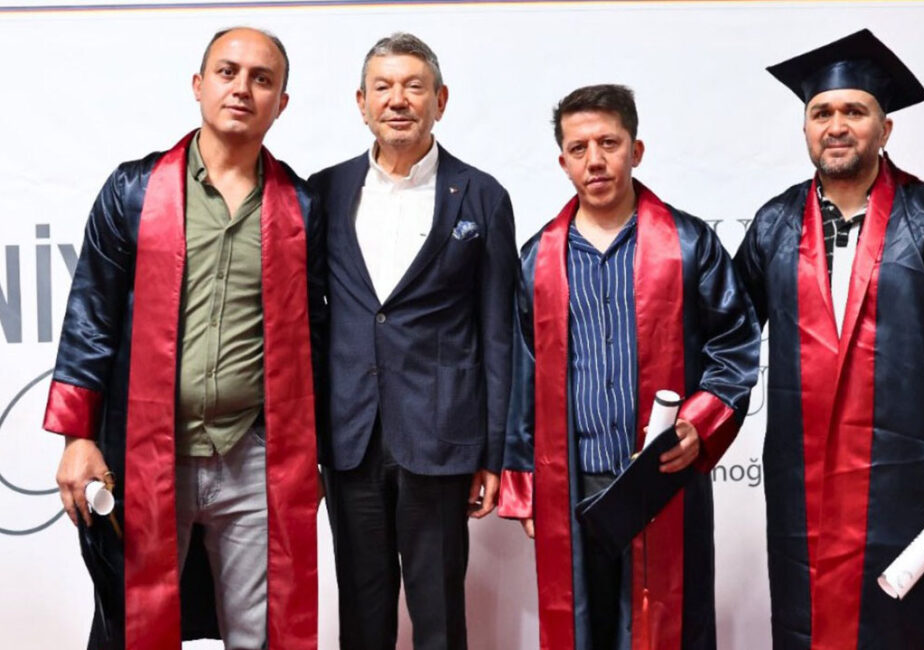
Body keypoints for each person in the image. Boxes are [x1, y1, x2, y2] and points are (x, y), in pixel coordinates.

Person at [734, 29, 924, 649]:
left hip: (911, 477)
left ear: (884, 129)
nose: (836, 126)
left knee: (912, 625)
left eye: (854, 111)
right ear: (806, 129)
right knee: (809, 625)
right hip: (804, 480)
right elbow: (728, 337)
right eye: (821, 113)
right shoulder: (775, 225)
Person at [44, 27, 326, 650]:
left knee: (264, 634)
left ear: (281, 103)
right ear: (199, 86)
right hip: (147, 452)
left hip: (254, 457)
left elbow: (319, 340)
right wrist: (77, 437)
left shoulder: (303, 207)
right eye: (227, 72)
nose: (242, 88)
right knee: (138, 625)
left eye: (261, 79)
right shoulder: (135, 191)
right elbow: (91, 314)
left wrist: (320, 457)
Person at [498, 84, 759, 650]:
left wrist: (699, 423)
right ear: (563, 162)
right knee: (582, 629)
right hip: (574, 484)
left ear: (635, 150)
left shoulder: (689, 244)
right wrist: (524, 485)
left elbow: (735, 343)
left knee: (665, 627)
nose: (594, 160)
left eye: (609, 143)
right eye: (579, 148)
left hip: (661, 478)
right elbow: (522, 374)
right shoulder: (538, 259)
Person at [308, 32, 516, 650]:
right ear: (362, 103)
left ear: (440, 100)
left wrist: (495, 451)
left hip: (442, 435)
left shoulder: (482, 195)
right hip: (350, 438)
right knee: (361, 615)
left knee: (440, 616)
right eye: (383, 87)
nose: (397, 100)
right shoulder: (324, 191)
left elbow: (498, 331)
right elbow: (308, 321)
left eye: (413, 86)